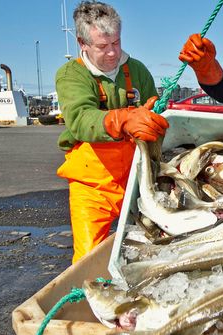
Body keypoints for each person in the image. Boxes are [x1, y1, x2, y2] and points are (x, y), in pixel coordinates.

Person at [55, 1, 169, 263]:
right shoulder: (70, 74)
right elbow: (80, 119)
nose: (112, 53)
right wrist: (123, 120)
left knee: (151, 250)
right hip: (93, 185)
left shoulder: (137, 70)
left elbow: (156, 115)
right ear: (83, 43)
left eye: (116, 43)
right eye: (102, 47)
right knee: (88, 260)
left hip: (138, 178)